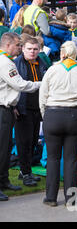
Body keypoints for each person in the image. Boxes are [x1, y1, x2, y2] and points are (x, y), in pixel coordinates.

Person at [39, 41, 77, 206]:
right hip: (74, 115)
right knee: (71, 159)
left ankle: (51, 197)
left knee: (53, 158)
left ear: (62, 54)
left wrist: (45, 115)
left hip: (53, 114)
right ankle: (71, 198)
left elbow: (43, 95)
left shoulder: (52, 70)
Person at [0, 32, 41, 201]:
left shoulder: (6, 61)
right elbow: (20, 84)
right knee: (2, 149)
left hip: (8, 109)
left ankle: (3, 180)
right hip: (3, 108)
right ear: (8, 45)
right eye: (18, 45)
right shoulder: (6, 63)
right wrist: (43, 84)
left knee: (7, 147)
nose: (19, 47)